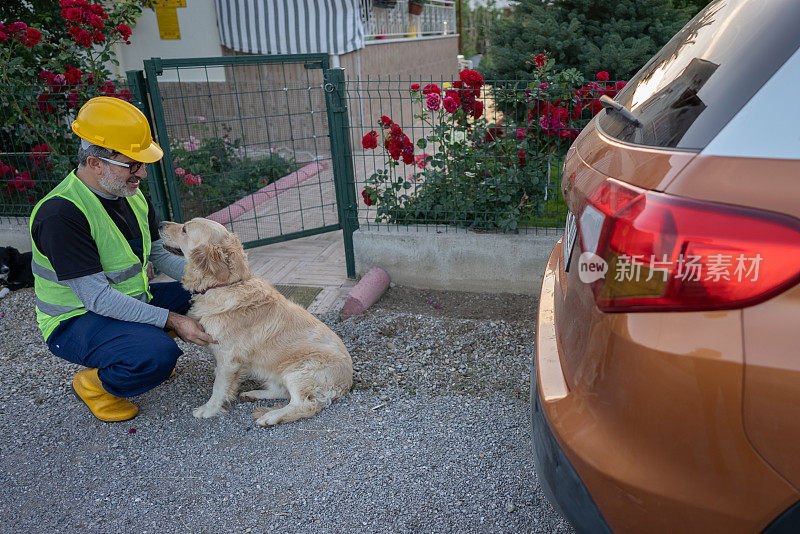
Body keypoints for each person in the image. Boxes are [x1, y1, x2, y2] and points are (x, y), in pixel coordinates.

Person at [29, 96, 215, 422]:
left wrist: (212, 282)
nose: (141, 173)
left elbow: (156, 252)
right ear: (95, 163)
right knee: (158, 356)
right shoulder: (61, 214)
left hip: (127, 299)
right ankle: (95, 384)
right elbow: (98, 298)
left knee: (212, 295)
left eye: (141, 163)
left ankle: (141, 342)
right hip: (76, 319)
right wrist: (172, 320)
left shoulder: (130, 193)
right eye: (132, 163)